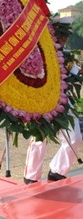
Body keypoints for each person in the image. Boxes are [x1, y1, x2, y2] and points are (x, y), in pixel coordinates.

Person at [23, 18, 82, 184]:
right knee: (39, 139)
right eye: (61, 36)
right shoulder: (39, 54)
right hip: (43, 102)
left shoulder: (68, 57)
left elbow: (77, 77)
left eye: (66, 37)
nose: (64, 40)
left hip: (64, 102)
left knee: (74, 137)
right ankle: (31, 177)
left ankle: (57, 170)